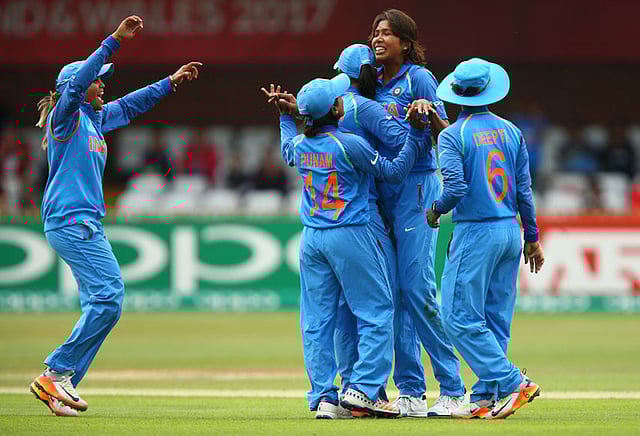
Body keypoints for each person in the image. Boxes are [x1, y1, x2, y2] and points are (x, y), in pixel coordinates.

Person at [29, 15, 202, 417]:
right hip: (71, 222)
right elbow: (77, 85)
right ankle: (56, 373)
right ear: (76, 89)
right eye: (97, 80)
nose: (103, 84)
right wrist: (114, 41)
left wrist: (170, 81)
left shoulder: (93, 119)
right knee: (109, 298)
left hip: (85, 223)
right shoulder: (65, 117)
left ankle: (61, 384)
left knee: (104, 303)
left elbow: (131, 104)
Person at [269, 73, 427, 418]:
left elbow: (287, 147)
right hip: (350, 232)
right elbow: (394, 172)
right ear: (336, 109)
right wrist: (416, 134)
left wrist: (285, 117)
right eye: (339, 99)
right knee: (377, 311)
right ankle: (364, 389)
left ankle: (324, 397)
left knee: (317, 320)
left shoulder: (300, 145)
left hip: (312, 238)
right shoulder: (349, 144)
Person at [427, 57, 544, 419]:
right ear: (488, 89)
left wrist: (435, 210)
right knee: (494, 319)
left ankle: (513, 383)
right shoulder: (511, 131)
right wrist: (532, 236)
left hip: (476, 231)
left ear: (456, 92)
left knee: (457, 316)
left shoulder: (452, 135)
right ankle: (484, 398)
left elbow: (455, 188)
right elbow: (524, 188)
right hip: (510, 230)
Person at [369, 8, 466, 416]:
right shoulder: (370, 79)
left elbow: (449, 136)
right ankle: (410, 390)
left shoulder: (420, 79)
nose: (378, 39)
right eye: (375, 33)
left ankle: (454, 388)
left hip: (419, 186)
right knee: (392, 293)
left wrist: (428, 116)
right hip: (381, 189)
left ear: (406, 43)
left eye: (387, 33)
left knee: (416, 288)